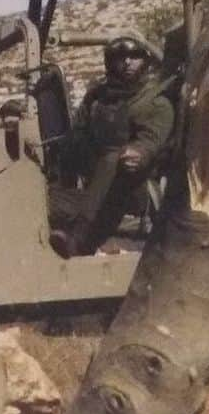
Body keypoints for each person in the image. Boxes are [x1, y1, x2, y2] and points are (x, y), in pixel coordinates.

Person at [49, 36, 175, 259]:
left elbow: (152, 139)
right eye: (120, 57)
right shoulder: (98, 99)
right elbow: (77, 134)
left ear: (144, 61)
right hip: (96, 185)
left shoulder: (155, 102)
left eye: (134, 57)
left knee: (113, 157)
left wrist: (139, 153)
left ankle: (80, 241)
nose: (127, 62)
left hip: (136, 187)